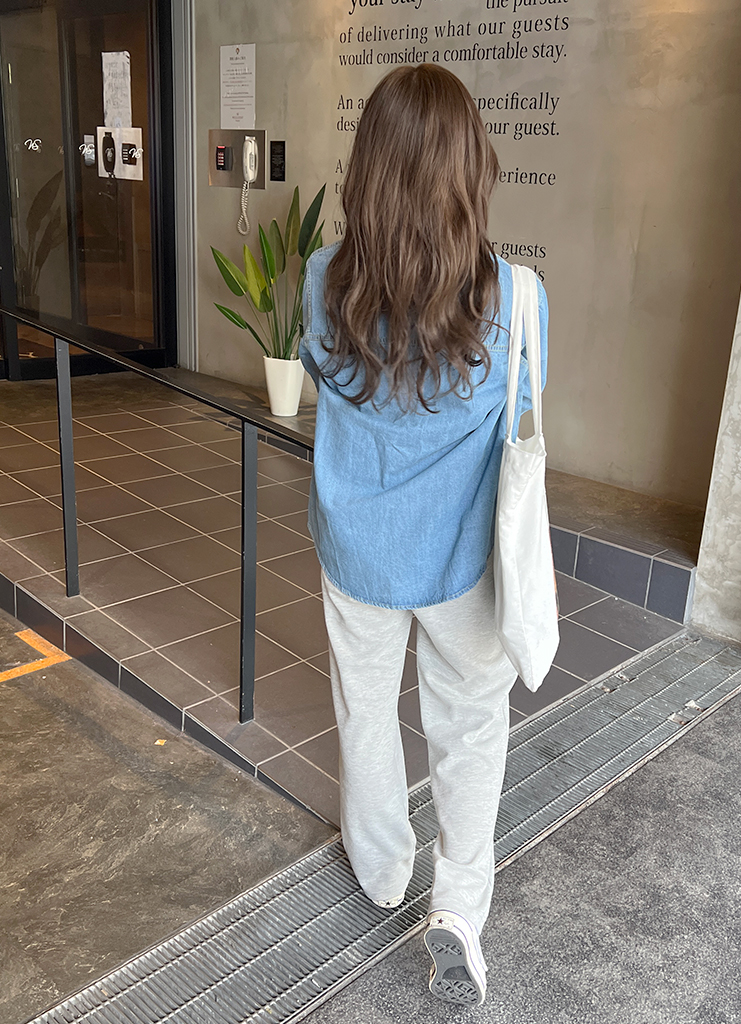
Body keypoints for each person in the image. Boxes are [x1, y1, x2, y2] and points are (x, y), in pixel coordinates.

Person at [300, 63, 548, 1007]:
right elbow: (522, 404)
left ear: (366, 169)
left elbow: (326, 380)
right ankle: (456, 909)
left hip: (357, 548)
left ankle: (379, 871)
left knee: (365, 710)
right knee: (470, 727)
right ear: (470, 169)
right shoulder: (516, 298)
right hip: (462, 562)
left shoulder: (323, 282)